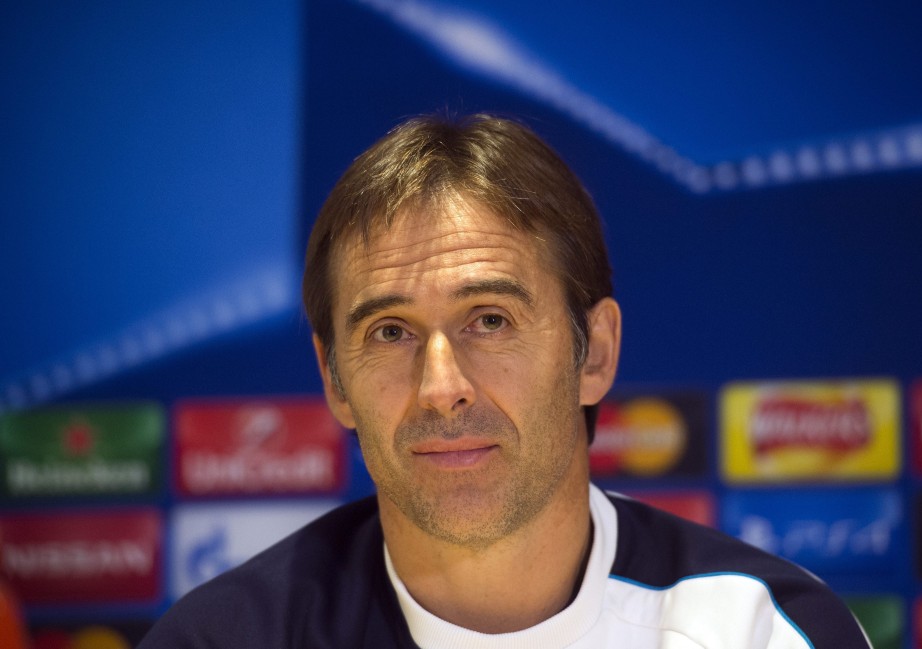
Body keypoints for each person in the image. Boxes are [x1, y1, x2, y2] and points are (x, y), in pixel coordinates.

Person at [139, 113, 872, 648]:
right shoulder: (221, 639)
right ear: (334, 379)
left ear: (594, 353)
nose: (441, 387)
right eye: (389, 332)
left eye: (489, 320)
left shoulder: (761, 630)